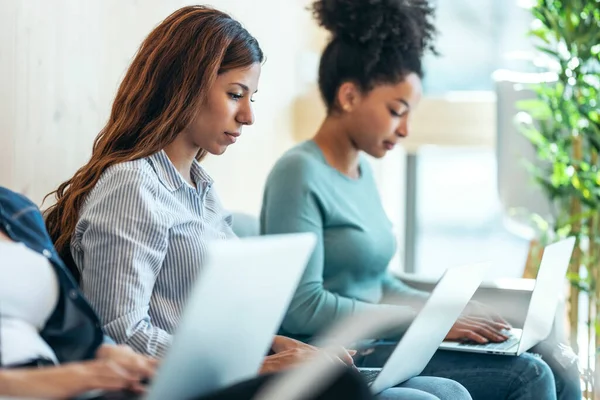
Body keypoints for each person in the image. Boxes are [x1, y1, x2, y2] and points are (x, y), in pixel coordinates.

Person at [42, 5, 470, 400]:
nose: (248, 116)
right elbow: (121, 333)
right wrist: (259, 363)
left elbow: (222, 320)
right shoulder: (131, 187)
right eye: (235, 94)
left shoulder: (201, 190)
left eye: (252, 98)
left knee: (442, 391)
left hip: (226, 374)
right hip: (179, 389)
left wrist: (276, 343)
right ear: (183, 86)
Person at [259, 0, 582, 399]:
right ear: (348, 96)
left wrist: (453, 308)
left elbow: (377, 282)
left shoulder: (360, 173)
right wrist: (428, 318)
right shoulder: (298, 172)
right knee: (529, 376)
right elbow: (304, 308)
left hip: (384, 341)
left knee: (557, 360)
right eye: (397, 111)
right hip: (341, 353)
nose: (406, 128)